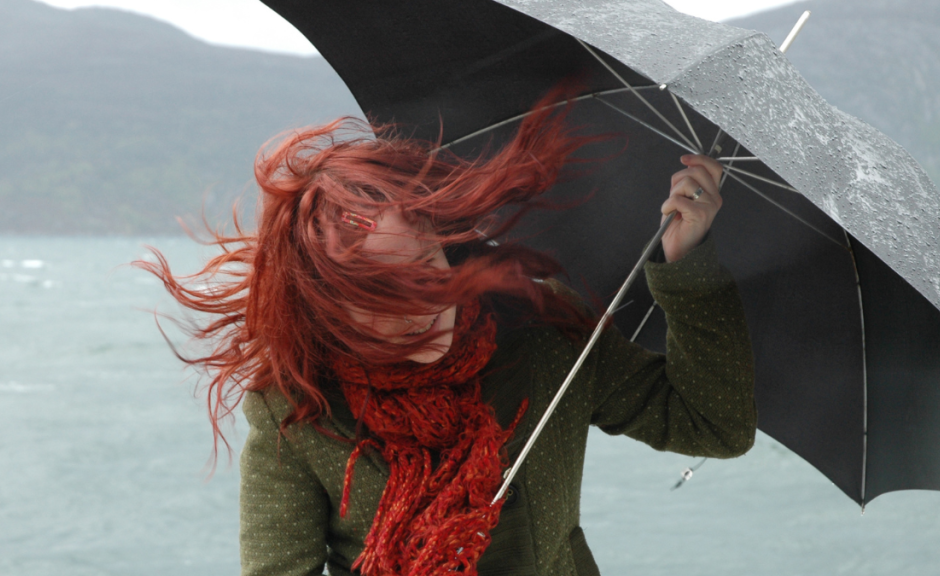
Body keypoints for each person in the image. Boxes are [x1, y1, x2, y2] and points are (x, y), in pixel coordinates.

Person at [139, 97, 756, 576]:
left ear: (439, 236)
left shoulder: (540, 329)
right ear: (329, 300)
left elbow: (713, 426)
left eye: (426, 277)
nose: (417, 309)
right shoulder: (295, 402)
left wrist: (688, 267)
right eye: (381, 295)